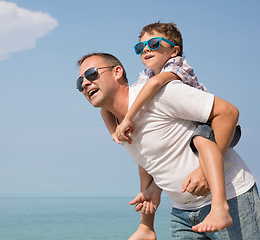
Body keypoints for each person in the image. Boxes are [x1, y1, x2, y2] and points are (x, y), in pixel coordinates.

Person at [76, 52, 260, 239]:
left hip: (231, 199)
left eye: (91, 74)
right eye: (79, 82)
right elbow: (150, 164)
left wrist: (204, 172)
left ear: (117, 72)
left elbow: (227, 112)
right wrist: (146, 223)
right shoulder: (116, 124)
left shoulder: (159, 94)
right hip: (182, 213)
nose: (84, 83)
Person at [98, 22, 240, 233]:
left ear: (174, 50)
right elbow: (106, 110)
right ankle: (146, 226)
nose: (145, 49)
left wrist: (128, 118)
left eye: (153, 43)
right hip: (183, 203)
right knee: (145, 157)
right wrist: (113, 133)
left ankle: (220, 206)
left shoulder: (176, 67)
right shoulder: (146, 75)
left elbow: (154, 87)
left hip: (211, 125)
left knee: (201, 140)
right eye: (140, 47)